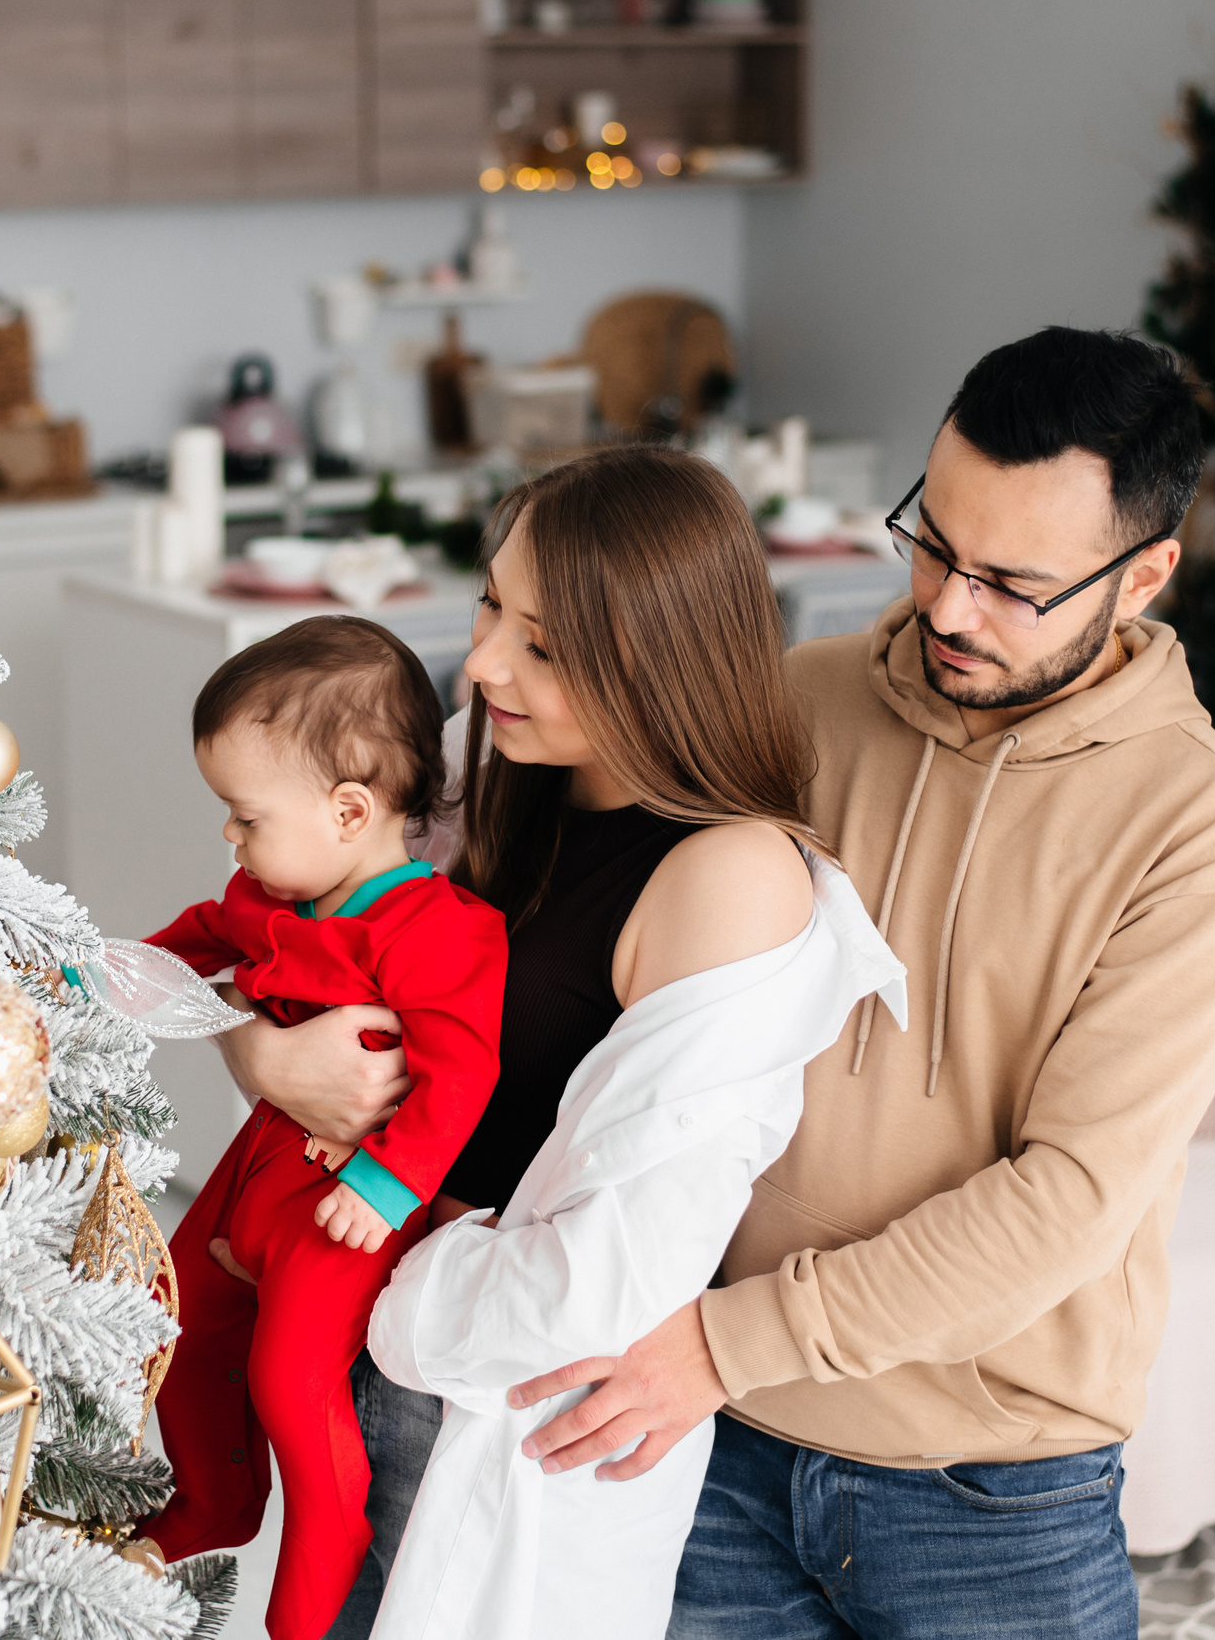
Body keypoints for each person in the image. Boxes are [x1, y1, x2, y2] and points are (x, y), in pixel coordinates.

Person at [506, 327, 1215, 1638]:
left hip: (991, 1486)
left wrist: (728, 1341)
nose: (946, 603)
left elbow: (1069, 1198)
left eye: (1012, 581)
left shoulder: (1198, 833)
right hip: (714, 1440)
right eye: (932, 540)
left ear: (1144, 574)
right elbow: (573, 942)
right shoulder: (801, 704)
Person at [207, 446, 898, 1640]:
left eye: (542, 642)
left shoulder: (727, 876)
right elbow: (267, 935)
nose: (478, 662)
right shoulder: (503, 779)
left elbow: (612, 1279)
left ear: (657, 658)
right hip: (354, 1336)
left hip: (475, 1392)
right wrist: (257, 1060)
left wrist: (370, 1289)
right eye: (489, 603)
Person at [136, 616, 509, 1640]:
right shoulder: (268, 894)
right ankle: (214, 1501)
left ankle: (308, 1597)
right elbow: (198, 941)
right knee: (176, 1310)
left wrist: (388, 1186)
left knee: (292, 1383)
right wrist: (103, 971)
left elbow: (460, 1069)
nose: (231, 838)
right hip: (258, 1162)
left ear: (349, 812)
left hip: (343, 1201)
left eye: (244, 815)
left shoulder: (440, 931)